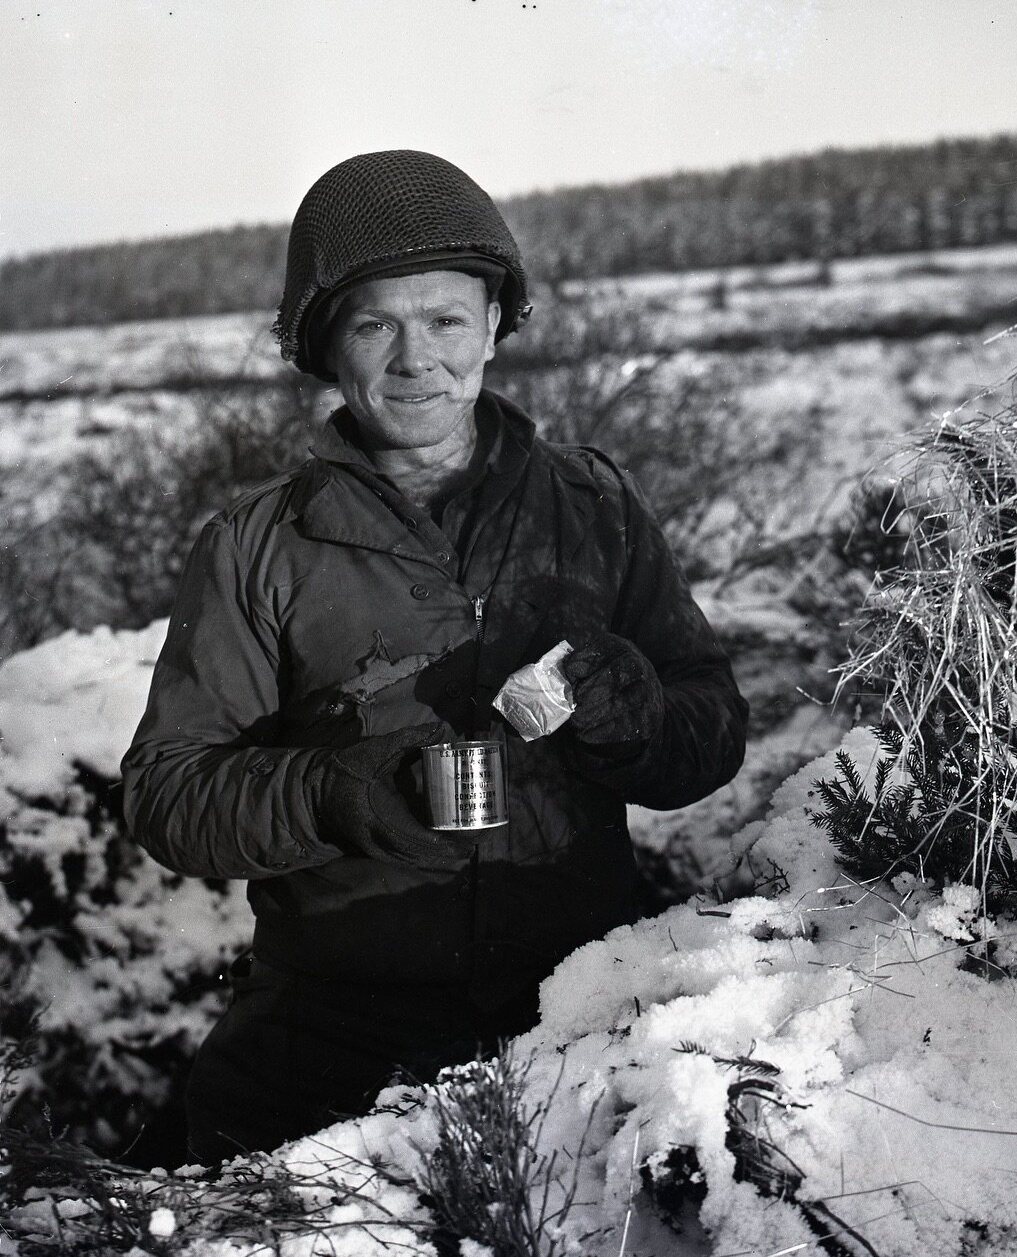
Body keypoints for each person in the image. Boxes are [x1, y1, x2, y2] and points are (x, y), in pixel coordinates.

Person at [121, 149, 748, 1163]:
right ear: (327, 345)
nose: (417, 359)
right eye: (376, 324)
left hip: (576, 1021)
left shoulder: (593, 506)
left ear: (497, 324)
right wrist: (330, 797)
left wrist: (636, 713)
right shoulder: (255, 547)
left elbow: (708, 733)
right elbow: (168, 794)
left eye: (448, 319)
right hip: (331, 1041)